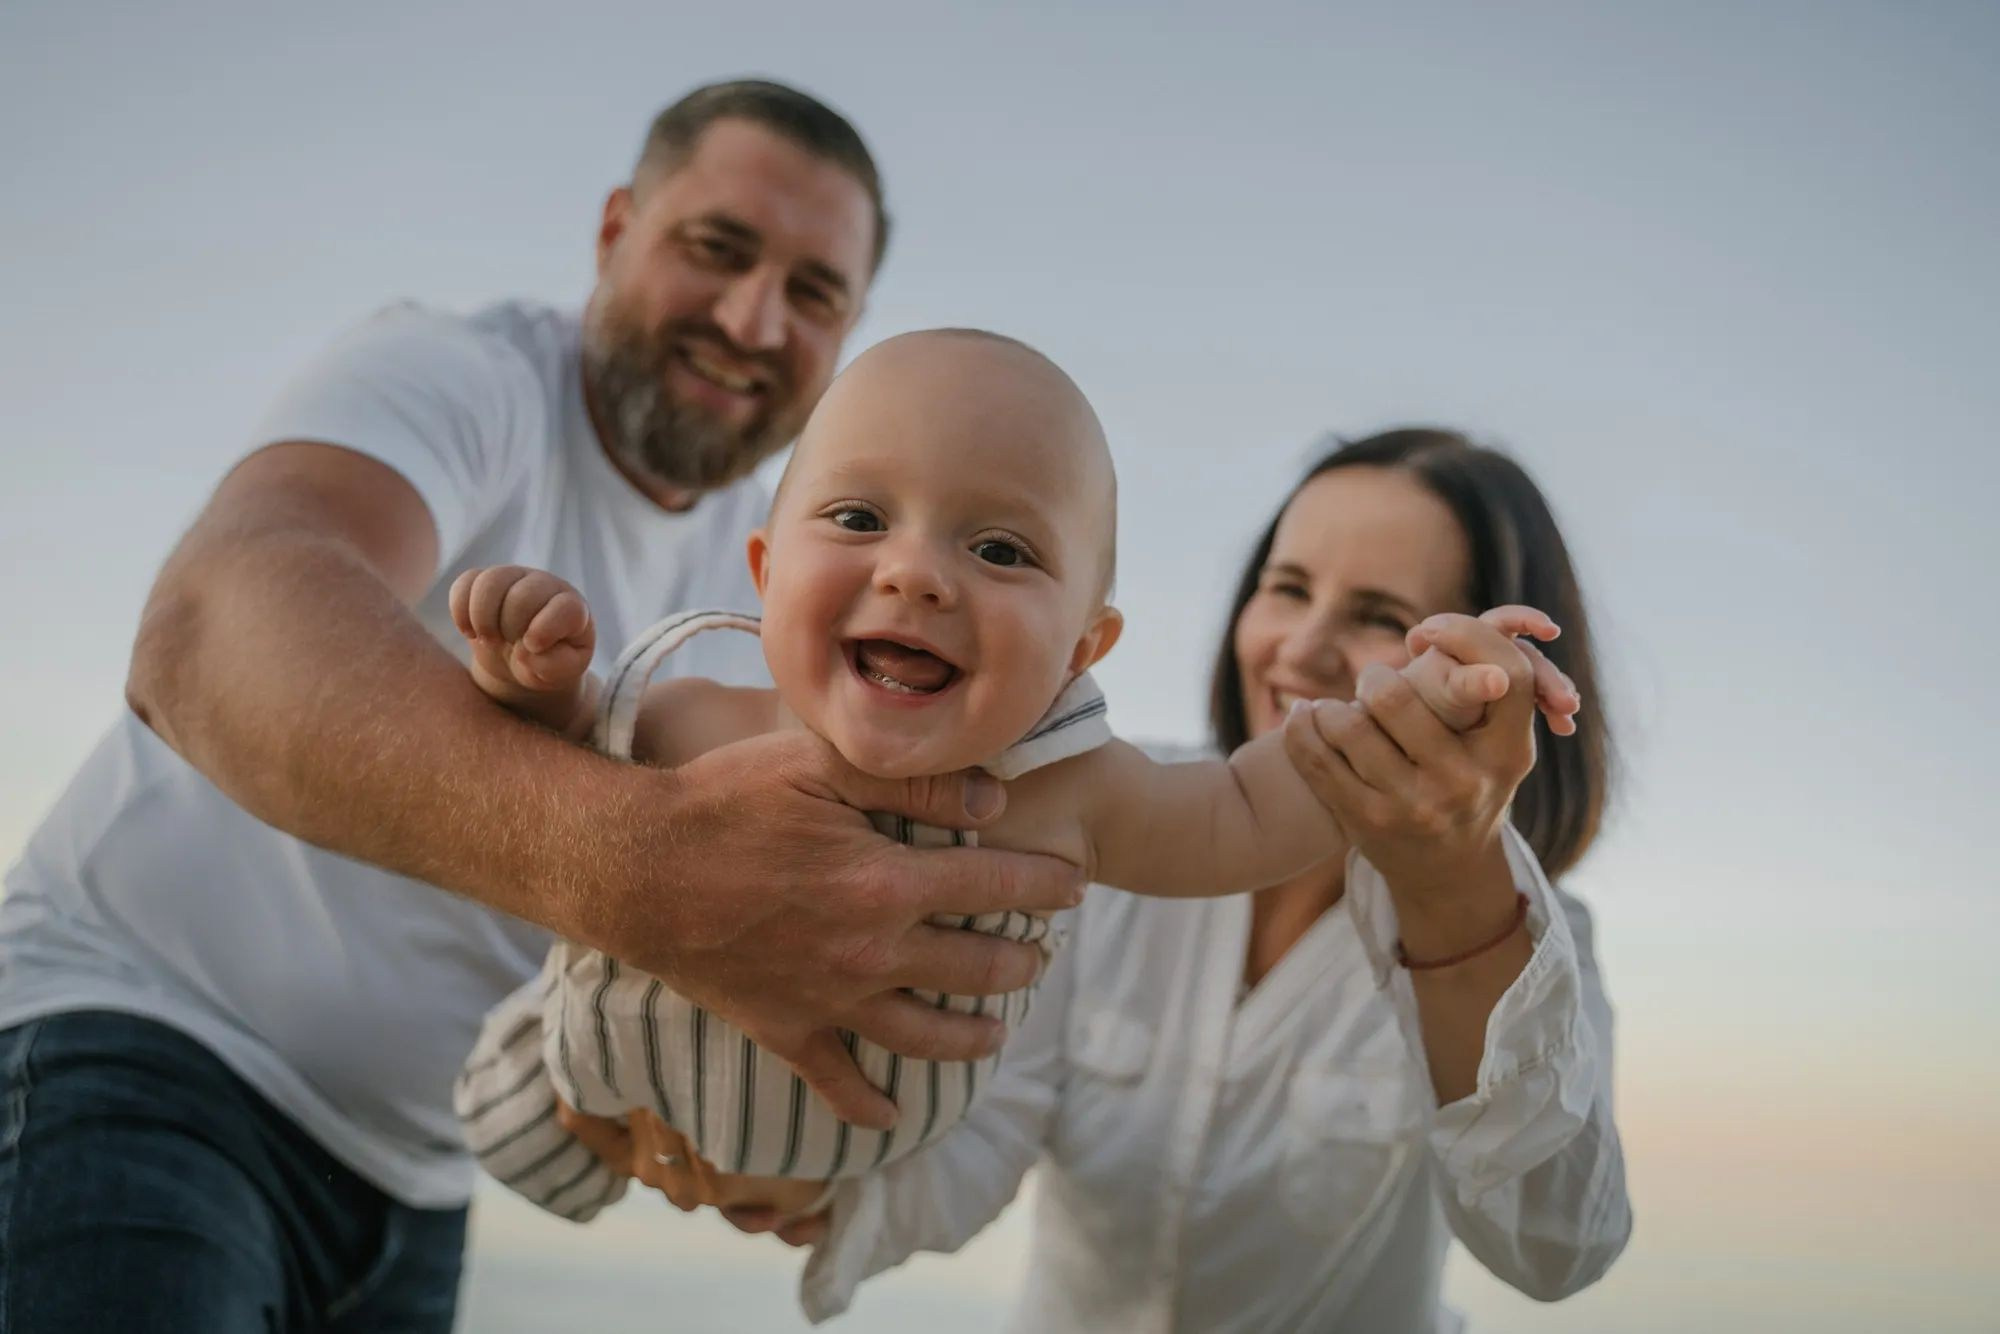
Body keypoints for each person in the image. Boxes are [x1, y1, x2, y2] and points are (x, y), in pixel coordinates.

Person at [0, 81, 1088, 1333]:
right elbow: (208, 630)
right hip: (139, 1054)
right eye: (716, 249)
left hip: (419, 1179)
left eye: (810, 292)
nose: (749, 318)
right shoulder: (462, 377)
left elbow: (759, 894)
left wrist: (696, 1097)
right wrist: (642, 874)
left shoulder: (798, 580)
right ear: (614, 229)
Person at [444, 332, 1579, 1228]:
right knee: (520, 1106)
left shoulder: (1066, 789)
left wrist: (1424, 708)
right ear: (764, 567)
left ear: (1083, 650)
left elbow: (1248, 807)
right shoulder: (693, 718)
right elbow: (545, 783)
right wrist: (534, 685)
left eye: (998, 550)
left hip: (817, 1154)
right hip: (603, 1094)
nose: (915, 572)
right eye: (856, 516)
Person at [629, 428, 1632, 1330]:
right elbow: (985, 1124)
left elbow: (1554, 1245)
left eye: (1377, 615)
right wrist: (798, 1178)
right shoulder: (1112, 816)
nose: (1302, 647)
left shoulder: (1518, 925)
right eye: (1285, 589)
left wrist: (1453, 881)